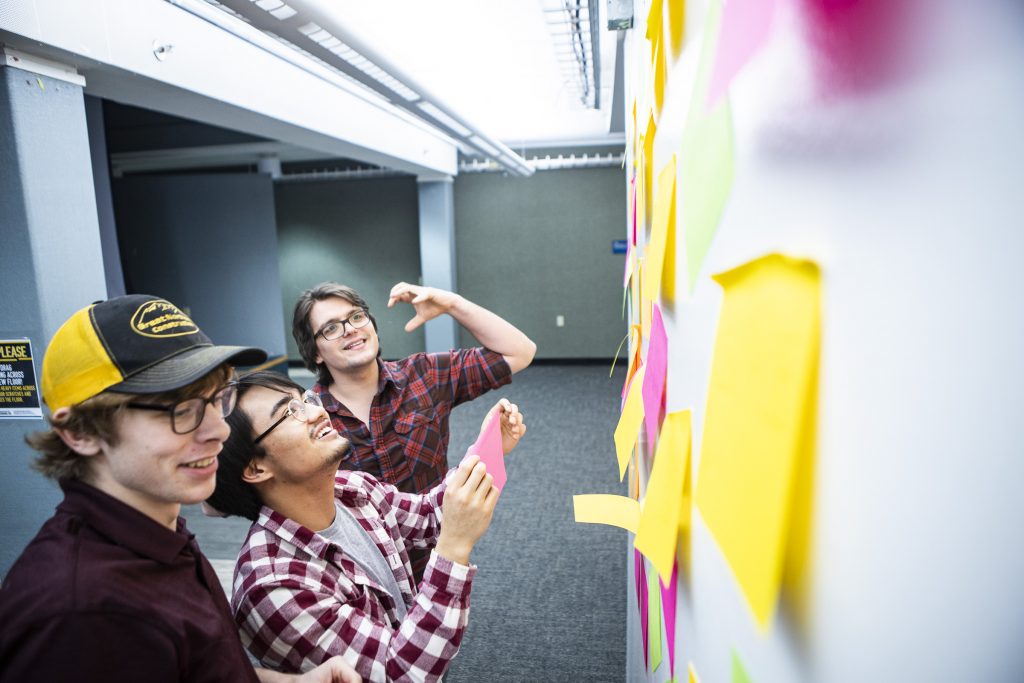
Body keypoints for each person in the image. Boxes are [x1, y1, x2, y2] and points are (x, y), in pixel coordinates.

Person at [0, 295, 360, 683]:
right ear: (80, 431)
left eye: (214, 400)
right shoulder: (81, 615)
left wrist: (294, 682)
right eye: (180, 410)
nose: (219, 431)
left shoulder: (158, 532)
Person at [205, 370, 525, 681]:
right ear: (255, 467)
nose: (316, 413)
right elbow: (400, 675)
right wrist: (455, 548)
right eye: (290, 413)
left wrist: (486, 449)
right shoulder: (273, 588)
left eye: (305, 400)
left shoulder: (351, 488)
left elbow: (429, 516)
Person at [291, 282, 535, 580]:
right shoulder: (307, 420)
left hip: (436, 557)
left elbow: (520, 352)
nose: (350, 329)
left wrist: (451, 304)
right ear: (315, 352)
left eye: (356, 317)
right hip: (359, 573)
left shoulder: (423, 376)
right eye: (331, 328)